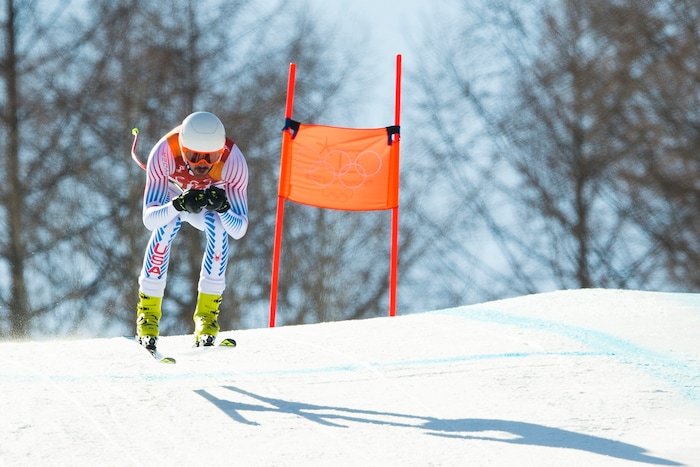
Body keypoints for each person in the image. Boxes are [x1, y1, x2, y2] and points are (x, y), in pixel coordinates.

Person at [135, 111, 248, 350]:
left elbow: (238, 229)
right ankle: (148, 317)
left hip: (206, 204)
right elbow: (150, 219)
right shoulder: (164, 152)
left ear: (221, 152)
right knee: (166, 226)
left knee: (218, 229)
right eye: (194, 156)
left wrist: (225, 208)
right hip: (172, 196)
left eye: (211, 157)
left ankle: (207, 320)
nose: (203, 165)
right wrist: (177, 204)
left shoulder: (233, 162)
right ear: (183, 149)